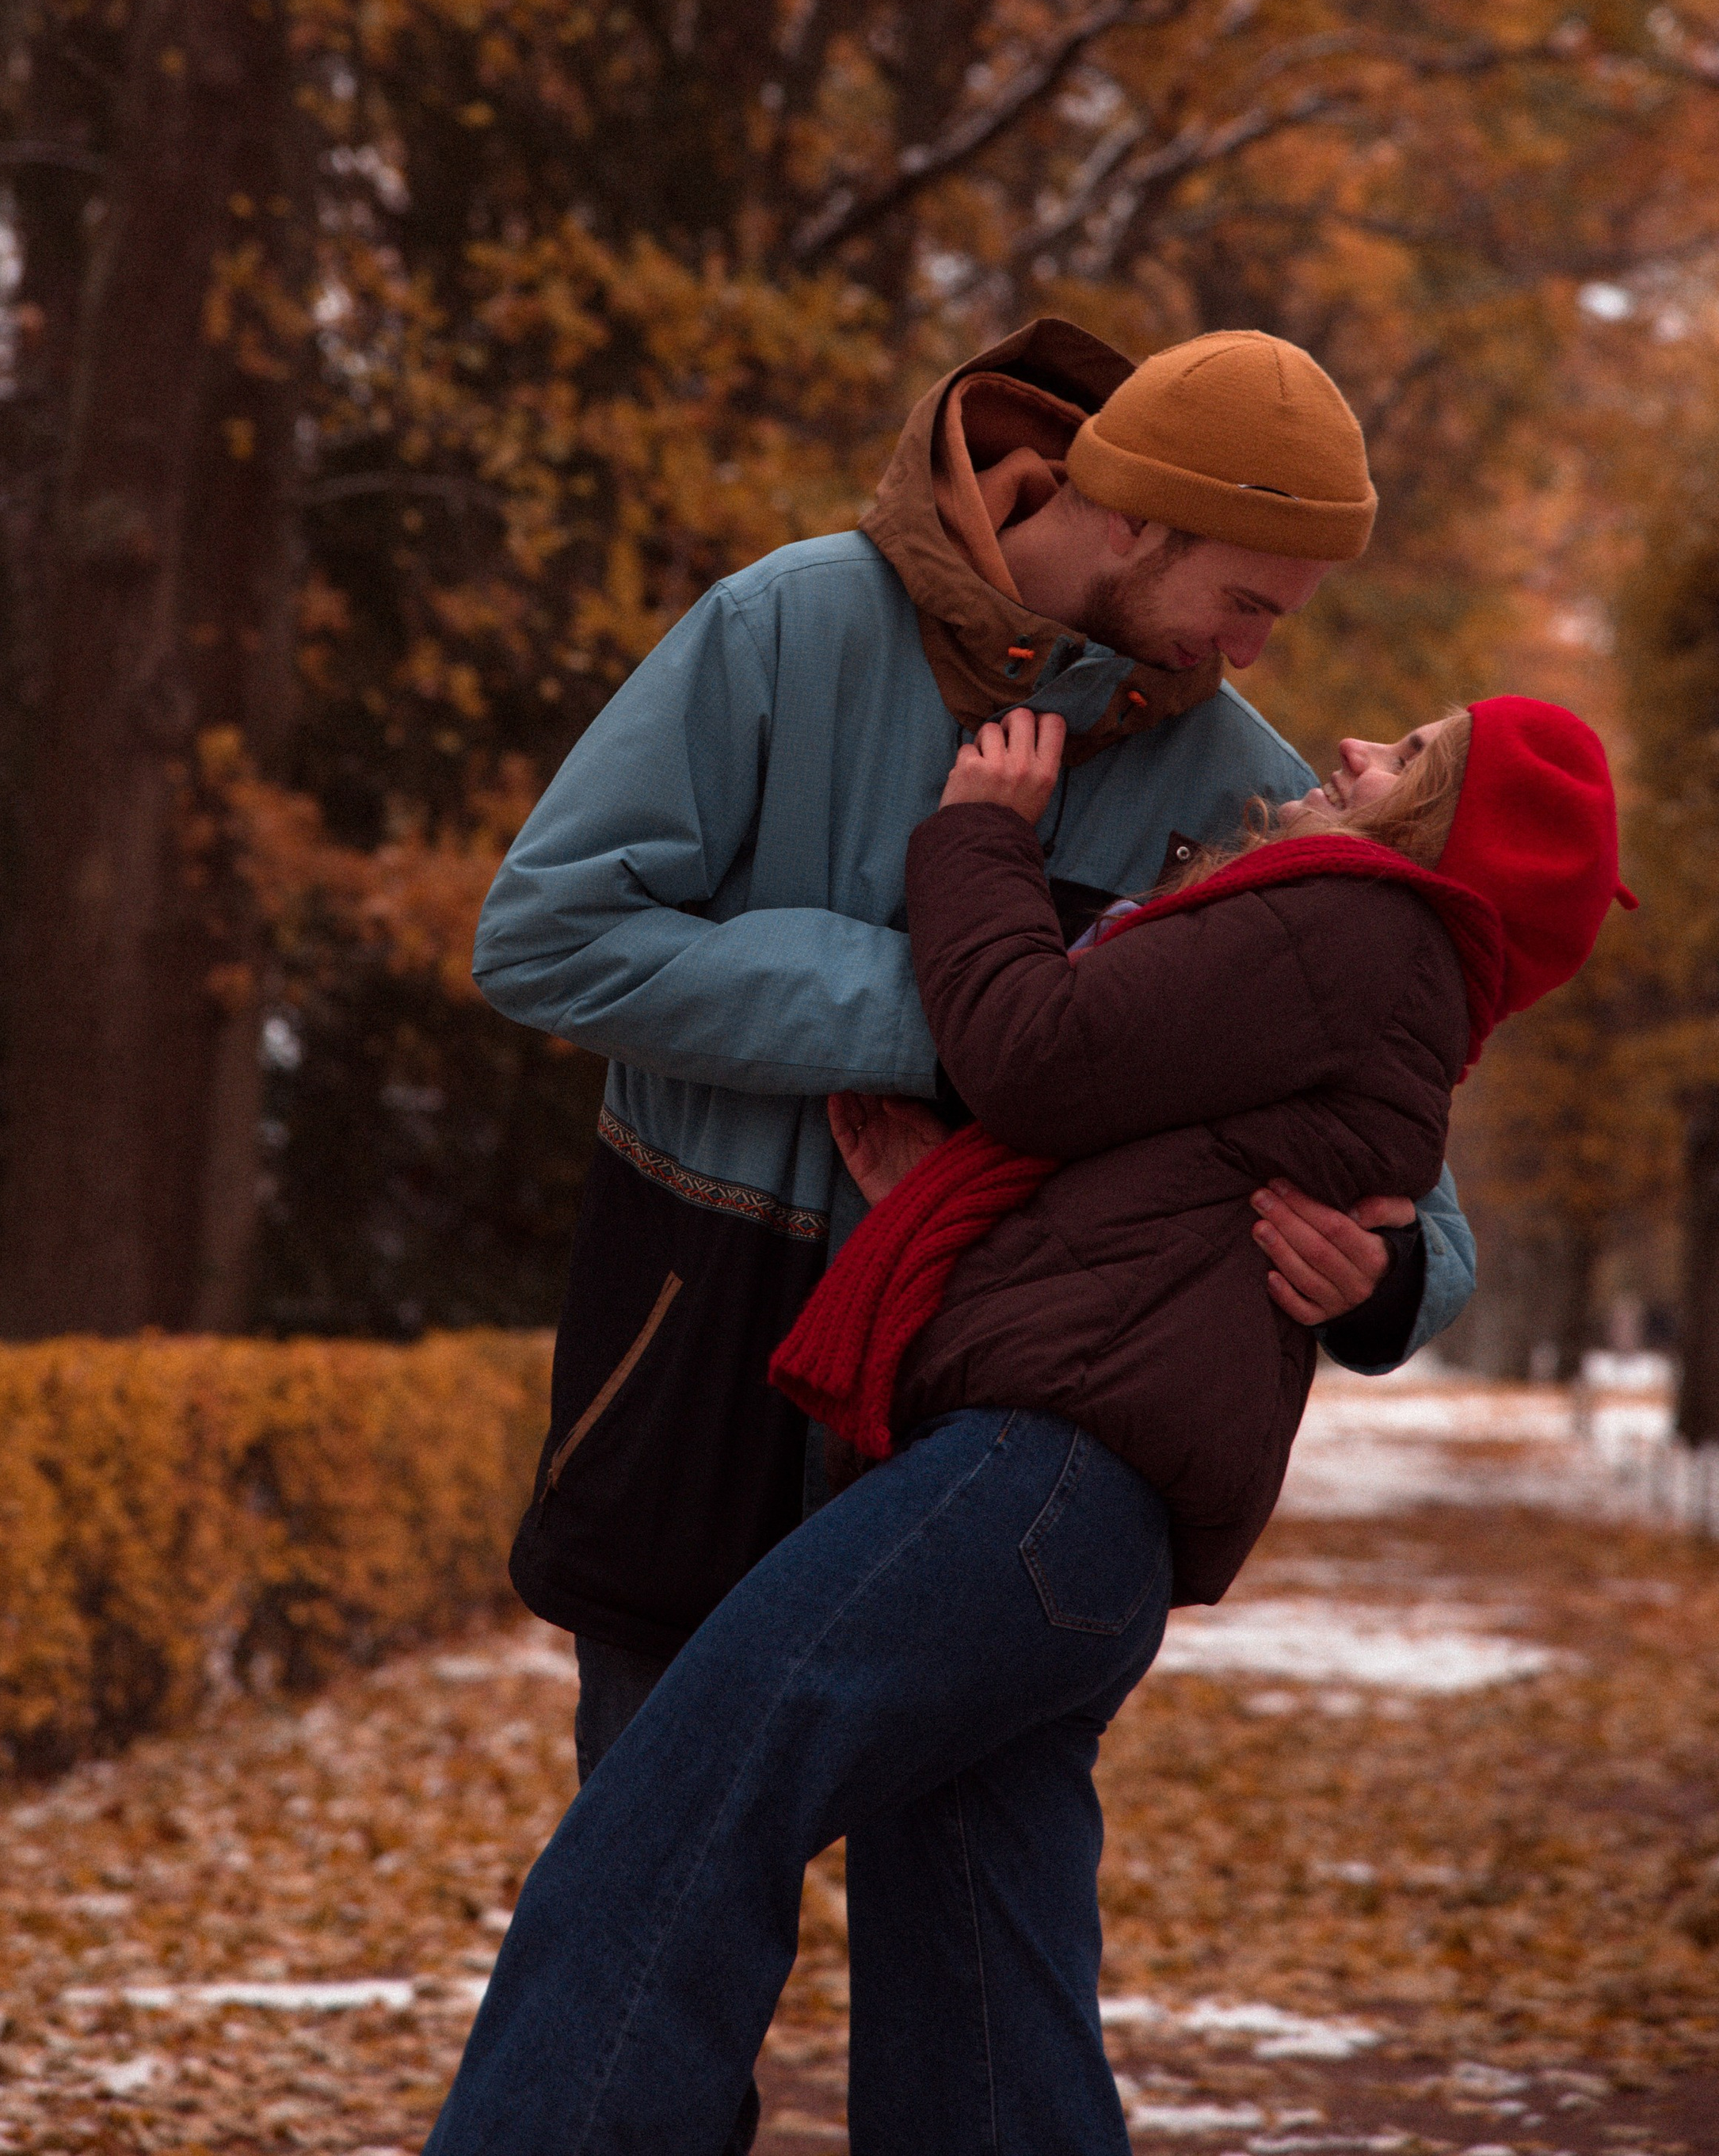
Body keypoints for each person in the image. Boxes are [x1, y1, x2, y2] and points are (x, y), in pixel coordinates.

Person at [472, 316, 1475, 2147]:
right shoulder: (781, 626)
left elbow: (1411, 1155)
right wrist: (955, 1008)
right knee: (655, 1888)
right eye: (1249, 599)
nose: (1265, 654)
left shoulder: (1235, 774)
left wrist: (1393, 1271)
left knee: (975, 1934)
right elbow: (542, 935)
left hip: (986, 1427)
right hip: (698, 1332)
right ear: (1139, 520)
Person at [427, 695, 1628, 2156]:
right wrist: (950, 1192)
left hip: (1033, 1485)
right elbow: (1146, 1189)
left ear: (1438, 836)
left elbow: (1033, 1048)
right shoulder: (1384, 978)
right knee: (985, 1998)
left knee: (681, 1807)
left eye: (1416, 760)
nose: (1362, 752)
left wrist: (982, 838)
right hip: (1083, 1532)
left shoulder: (1356, 926)